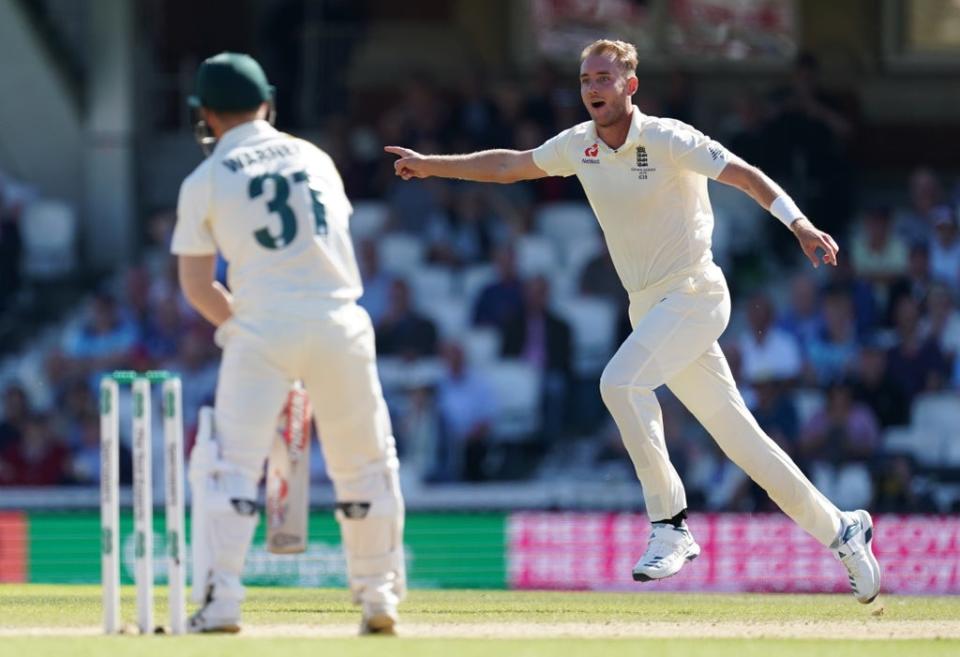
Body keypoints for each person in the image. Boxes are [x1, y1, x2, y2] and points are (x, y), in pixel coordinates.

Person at [385, 39, 879, 603]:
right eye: (585, 79)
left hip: (695, 292)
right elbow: (509, 165)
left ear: (630, 85)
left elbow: (746, 176)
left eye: (603, 77)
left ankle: (670, 525)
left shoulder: (669, 138)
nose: (592, 87)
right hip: (649, 307)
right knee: (744, 442)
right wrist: (430, 166)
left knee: (618, 382)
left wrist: (800, 225)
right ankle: (843, 530)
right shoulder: (579, 145)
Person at [172, 53, 405, 634]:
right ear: (267, 103)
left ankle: (222, 602)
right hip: (339, 322)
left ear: (204, 115)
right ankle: (378, 597)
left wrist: (253, 338)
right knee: (365, 463)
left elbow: (198, 286)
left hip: (262, 324)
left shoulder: (203, 180)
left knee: (231, 468)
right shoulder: (315, 157)